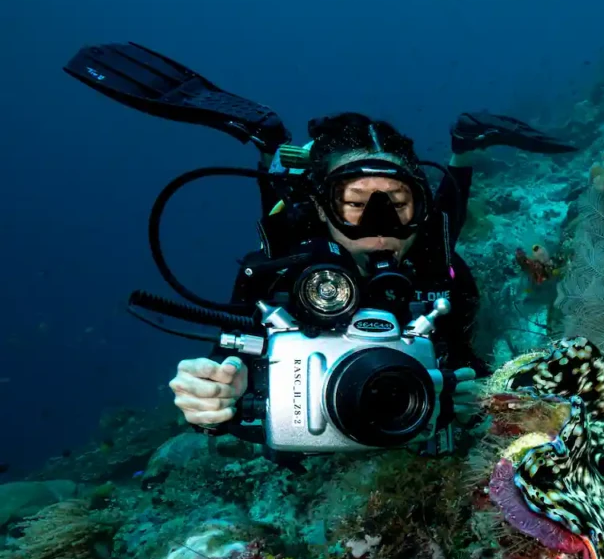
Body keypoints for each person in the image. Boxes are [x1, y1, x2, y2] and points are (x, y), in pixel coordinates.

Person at [168, 111, 575, 455]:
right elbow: (225, 370)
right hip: (301, 235)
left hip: (429, 249)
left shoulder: (438, 270)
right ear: (324, 208)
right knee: (282, 216)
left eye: (398, 204)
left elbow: (464, 358)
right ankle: (271, 147)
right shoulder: (275, 274)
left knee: (442, 238)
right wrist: (218, 400)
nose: (381, 230)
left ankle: (462, 148)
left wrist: (471, 394)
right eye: (356, 204)